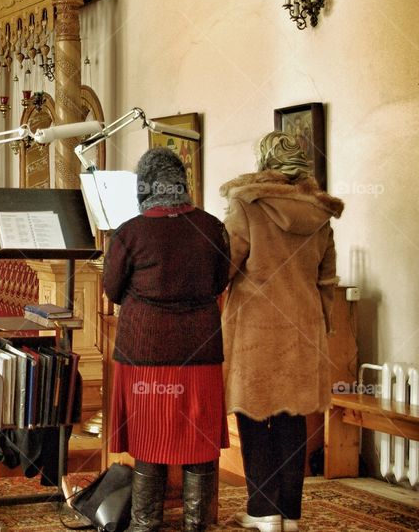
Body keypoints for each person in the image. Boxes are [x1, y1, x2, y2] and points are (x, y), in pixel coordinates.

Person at [103, 147, 231, 532]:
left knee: (148, 439)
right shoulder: (212, 227)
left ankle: (145, 523)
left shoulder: (130, 232)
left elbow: (111, 289)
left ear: (143, 188)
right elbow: (220, 281)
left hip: (145, 351)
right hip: (200, 352)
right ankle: (197, 524)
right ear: (183, 183)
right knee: (199, 440)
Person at [221, 132, 343, 532]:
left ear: (264, 161)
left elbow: (225, 266)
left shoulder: (246, 205)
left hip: (256, 329)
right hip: (304, 328)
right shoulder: (320, 215)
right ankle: (290, 513)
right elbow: (327, 282)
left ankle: (262, 509)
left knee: (254, 416)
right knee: (293, 418)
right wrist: (320, 326)